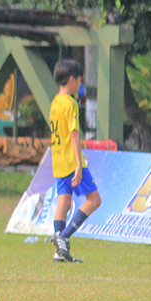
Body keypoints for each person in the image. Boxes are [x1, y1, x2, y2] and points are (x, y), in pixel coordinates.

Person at [48, 58, 101, 263]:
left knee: (64, 201)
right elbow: (74, 134)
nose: (80, 84)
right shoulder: (70, 104)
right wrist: (79, 165)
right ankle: (64, 236)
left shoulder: (55, 102)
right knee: (94, 200)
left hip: (58, 160)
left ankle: (59, 252)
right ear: (72, 79)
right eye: (79, 80)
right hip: (71, 161)